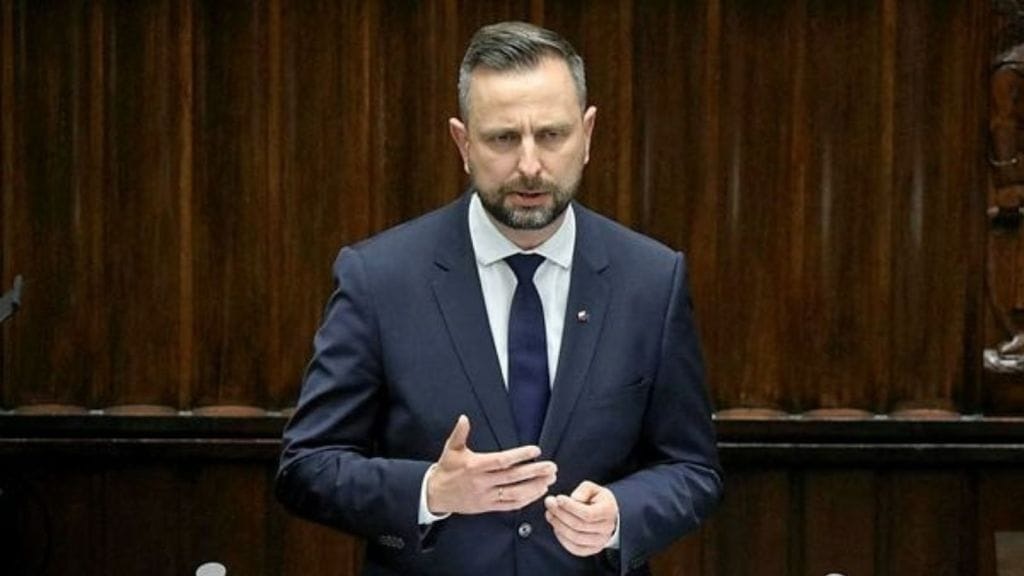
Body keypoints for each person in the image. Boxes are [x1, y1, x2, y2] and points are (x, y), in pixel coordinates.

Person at [276, 21, 722, 576]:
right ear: (463, 144)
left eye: (552, 135)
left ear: (588, 135)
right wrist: (431, 491)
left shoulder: (651, 279)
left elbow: (691, 468)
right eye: (503, 138)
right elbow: (307, 467)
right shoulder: (380, 278)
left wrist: (620, 515)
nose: (530, 165)